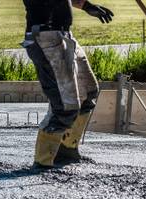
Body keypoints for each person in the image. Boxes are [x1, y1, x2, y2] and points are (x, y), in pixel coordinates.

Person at [22, 0, 114, 168]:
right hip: (45, 38)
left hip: (64, 36)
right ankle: (43, 162)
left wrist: (86, 6)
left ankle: (66, 150)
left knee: (89, 92)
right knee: (64, 106)